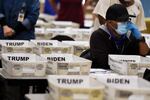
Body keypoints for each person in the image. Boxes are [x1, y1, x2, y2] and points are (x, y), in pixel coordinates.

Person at [90, 4, 150, 69]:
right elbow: (103, 63)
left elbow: (144, 54)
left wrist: (139, 37)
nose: (125, 24)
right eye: (121, 21)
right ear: (109, 22)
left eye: (126, 20)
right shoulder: (98, 36)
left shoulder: (130, 36)